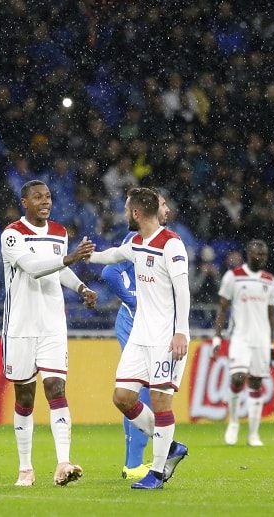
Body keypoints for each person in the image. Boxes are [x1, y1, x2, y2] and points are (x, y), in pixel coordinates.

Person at [88, 187, 189, 490]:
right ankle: (170, 446)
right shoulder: (135, 242)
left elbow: (182, 290)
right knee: (123, 398)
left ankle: (157, 473)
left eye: (125, 209)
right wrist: (85, 256)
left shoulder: (171, 244)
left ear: (136, 213)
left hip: (165, 337)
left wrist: (181, 330)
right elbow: (112, 256)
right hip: (139, 336)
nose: (123, 214)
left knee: (160, 401)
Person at [0, 180, 98, 487]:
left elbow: (58, 269)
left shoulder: (59, 232)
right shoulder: (12, 234)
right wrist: (69, 258)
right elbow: (32, 267)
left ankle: (63, 463)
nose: (45, 201)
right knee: (25, 398)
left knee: (56, 388)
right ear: (24, 202)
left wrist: (80, 286)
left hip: (53, 325)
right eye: (38, 197)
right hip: (20, 326)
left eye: (49, 196)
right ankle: (25, 468)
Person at [99, 189, 170, 480]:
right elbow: (109, 274)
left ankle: (142, 458)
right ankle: (135, 463)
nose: (167, 208)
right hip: (135, 322)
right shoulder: (136, 239)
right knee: (140, 392)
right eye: (164, 203)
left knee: (141, 394)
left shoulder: (164, 239)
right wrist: (135, 301)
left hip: (151, 324)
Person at [211, 239, 274, 447]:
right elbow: (222, 309)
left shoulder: (269, 280)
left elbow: (271, 313)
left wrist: (271, 343)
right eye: (256, 254)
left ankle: (253, 433)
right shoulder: (233, 276)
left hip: (261, 339)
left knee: (257, 382)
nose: (260, 258)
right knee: (239, 377)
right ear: (248, 254)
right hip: (239, 337)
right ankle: (233, 422)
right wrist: (217, 336)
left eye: (264, 255)